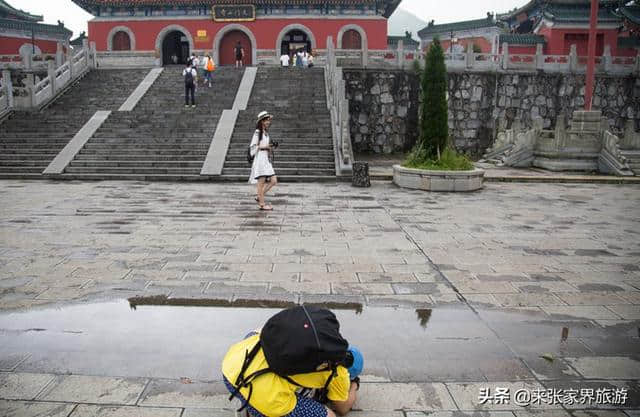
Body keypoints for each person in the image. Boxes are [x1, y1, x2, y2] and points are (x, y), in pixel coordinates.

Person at [222, 306, 362, 417]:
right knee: (329, 415)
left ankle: (253, 401)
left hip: (231, 368)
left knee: (256, 336)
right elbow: (342, 408)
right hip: (264, 398)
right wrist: (354, 385)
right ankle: (259, 410)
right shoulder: (339, 372)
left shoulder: (285, 334)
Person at [249, 111, 277, 211]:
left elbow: (264, 146)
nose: (268, 122)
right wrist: (266, 147)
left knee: (273, 180)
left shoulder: (266, 133)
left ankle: (259, 196)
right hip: (260, 159)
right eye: (266, 120)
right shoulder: (257, 132)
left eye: (269, 120)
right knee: (261, 182)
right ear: (261, 122)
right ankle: (262, 204)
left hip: (265, 159)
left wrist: (270, 148)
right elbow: (254, 146)